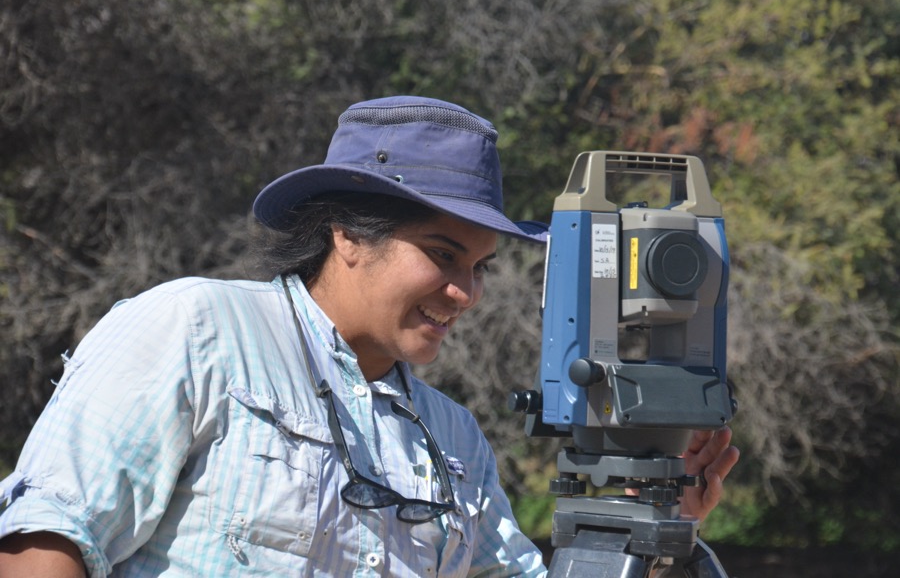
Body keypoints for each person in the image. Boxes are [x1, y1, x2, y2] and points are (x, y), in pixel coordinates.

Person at [0, 96, 739, 577]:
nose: (466, 294)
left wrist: (661, 534)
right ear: (348, 233)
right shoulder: (196, 330)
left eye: (481, 267)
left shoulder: (452, 440)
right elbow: (48, 540)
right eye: (444, 256)